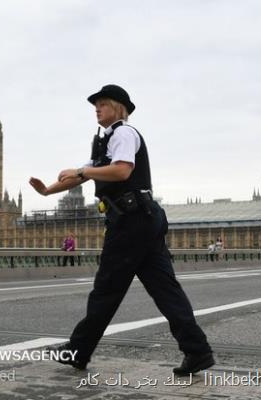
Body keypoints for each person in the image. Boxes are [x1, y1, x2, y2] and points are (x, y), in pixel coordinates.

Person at [29, 84, 213, 375]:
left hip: (131, 221)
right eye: (95, 105)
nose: (97, 109)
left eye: (102, 103)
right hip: (142, 219)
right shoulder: (104, 142)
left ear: (119, 107)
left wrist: (81, 172)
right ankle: (197, 351)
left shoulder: (124, 133)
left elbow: (122, 170)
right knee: (165, 290)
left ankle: (78, 351)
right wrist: (48, 191)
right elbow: (81, 174)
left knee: (106, 290)